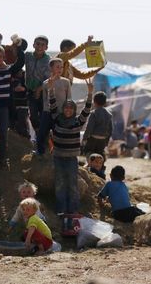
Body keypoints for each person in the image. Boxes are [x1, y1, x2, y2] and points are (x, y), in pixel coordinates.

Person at [48, 74, 93, 216]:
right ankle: (61, 209)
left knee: (73, 184)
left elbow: (86, 110)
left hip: (72, 159)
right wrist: (51, 90)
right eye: (66, 108)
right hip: (58, 157)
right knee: (60, 183)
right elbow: (53, 105)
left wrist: (90, 93)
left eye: (70, 108)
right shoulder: (57, 119)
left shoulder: (77, 122)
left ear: (74, 110)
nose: (68, 110)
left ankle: (73, 209)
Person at [36, 58, 72, 155]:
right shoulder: (45, 83)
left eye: (61, 67)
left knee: (60, 135)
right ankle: (40, 153)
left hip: (60, 113)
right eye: (57, 67)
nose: (60, 69)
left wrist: (68, 113)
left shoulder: (66, 82)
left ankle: (60, 154)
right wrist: (45, 111)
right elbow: (45, 99)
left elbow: (69, 99)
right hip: (47, 112)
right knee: (42, 133)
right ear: (51, 68)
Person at [25, 35, 51, 139]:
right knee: (33, 116)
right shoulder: (28, 56)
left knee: (44, 115)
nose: (39, 46)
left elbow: (49, 78)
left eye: (42, 45)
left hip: (43, 91)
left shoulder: (48, 60)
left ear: (46, 47)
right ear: (33, 45)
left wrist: (39, 89)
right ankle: (39, 135)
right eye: (38, 44)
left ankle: (44, 138)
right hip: (30, 90)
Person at [83, 91, 113, 158]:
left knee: (89, 155)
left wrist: (84, 138)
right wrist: (106, 141)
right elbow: (110, 129)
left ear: (94, 102)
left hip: (93, 139)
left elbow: (89, 128)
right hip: (102, 140)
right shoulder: (109, 114)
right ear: (105, 102)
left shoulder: (94, 113)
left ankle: (90, 166)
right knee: (100, 156)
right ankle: (100, 167)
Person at [11, 70, 30, 139]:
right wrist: (14, 89)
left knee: (22, 119)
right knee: (14, 121)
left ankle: (25, 135)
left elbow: (29, 88)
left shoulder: (25, 77)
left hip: (23, 104)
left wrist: (24, 89)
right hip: (13, 104)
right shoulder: (11, 77)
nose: (19, 73)